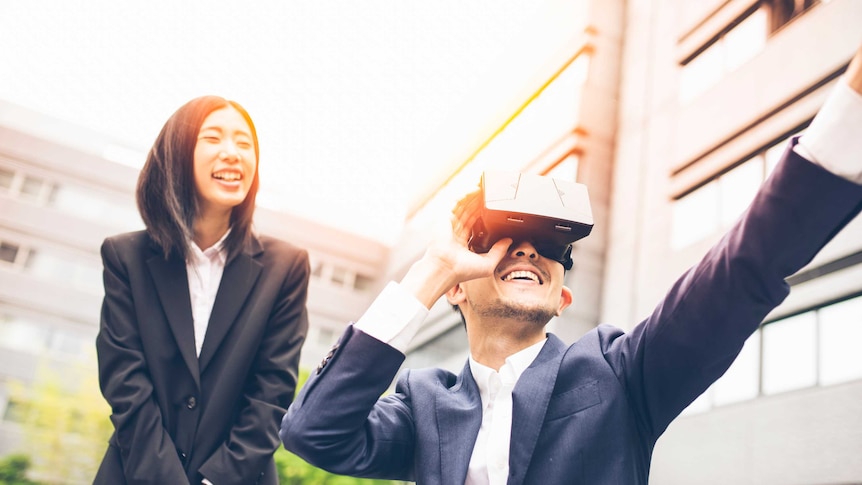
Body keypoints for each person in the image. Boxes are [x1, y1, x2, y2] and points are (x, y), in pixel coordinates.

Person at [280, 43, 862, 485]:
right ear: (457, 289)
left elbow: (739, 273)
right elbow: (314, 432)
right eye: (503, 242)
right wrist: (434, 266)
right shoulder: (424, 404)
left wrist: (850, 115)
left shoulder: (621, 373)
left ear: (563, 298)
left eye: (550, 248)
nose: (528, 249)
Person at [94, 96, 310, 485]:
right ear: (178, 154)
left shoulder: (286, 267)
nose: (232, 153)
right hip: (135, 474)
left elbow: (271, 393)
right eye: (214, 138)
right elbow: (125, 383)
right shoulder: (124, 257)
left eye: (245, 144)